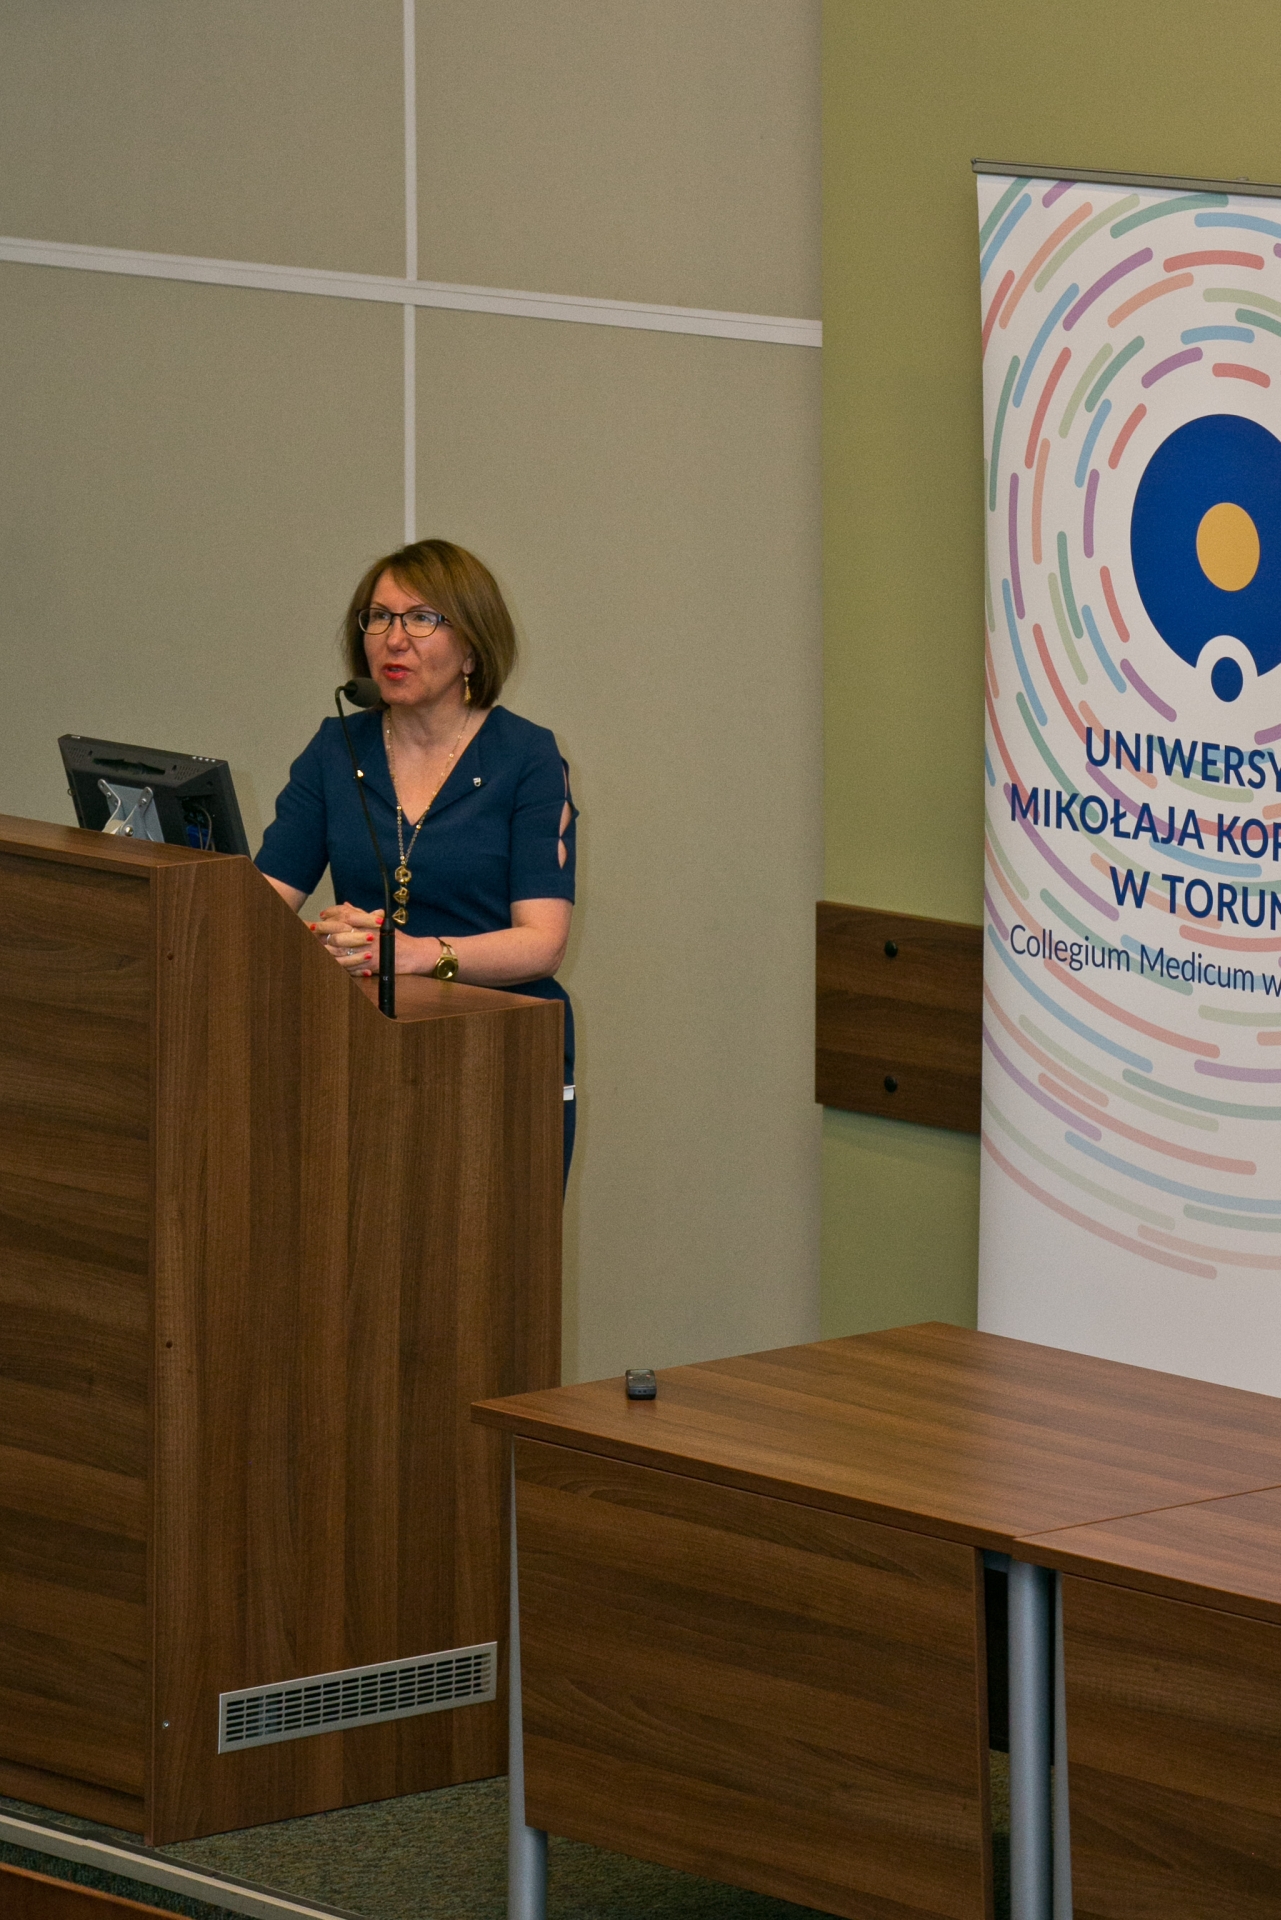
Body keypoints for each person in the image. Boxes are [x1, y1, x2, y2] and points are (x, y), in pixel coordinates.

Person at [255, 537, 578, 1174]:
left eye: (422, 619)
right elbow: (260, 909)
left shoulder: (527, 757)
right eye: (378, 617)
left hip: (500, 1052)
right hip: (360, 1050)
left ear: (472, 648)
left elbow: (543, 944)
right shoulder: (336, 748)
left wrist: (414, 954)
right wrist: (325, 939)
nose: (394, 639)